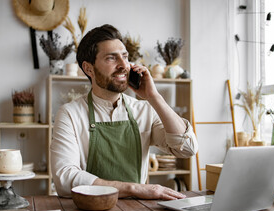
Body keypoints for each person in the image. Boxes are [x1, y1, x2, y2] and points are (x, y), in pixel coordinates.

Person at [50, 24, 198, 200]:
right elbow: (65, 179)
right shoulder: (70, 114)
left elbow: (187, 149)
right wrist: (135, 189)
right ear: (89, 68)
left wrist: (154, 97)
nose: (123, 65)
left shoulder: (144, 109)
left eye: (125, 57)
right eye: (111, 58)